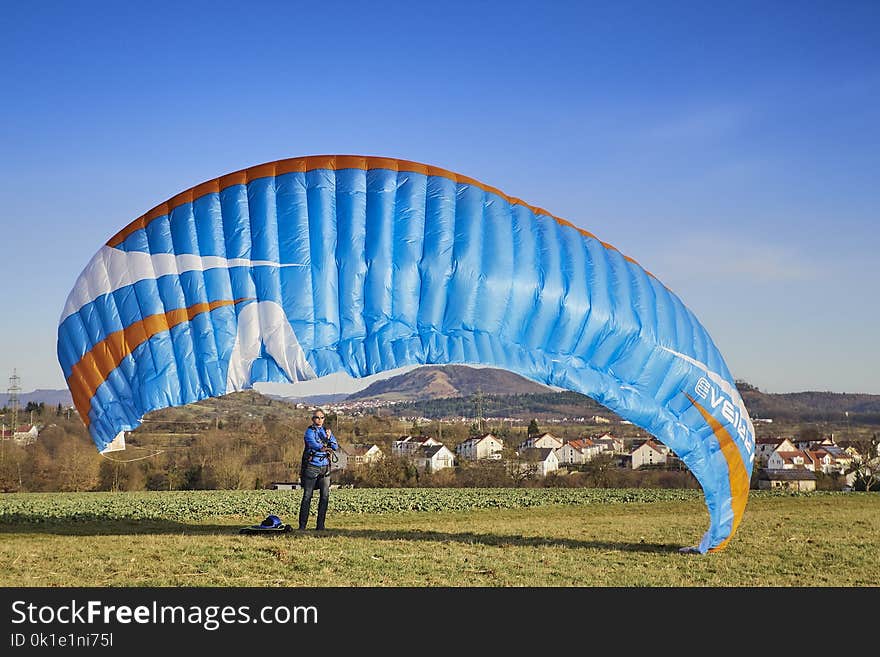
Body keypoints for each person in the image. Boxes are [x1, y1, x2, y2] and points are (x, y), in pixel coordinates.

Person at [297, 409, 338, 531]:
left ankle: (320, 526)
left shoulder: (327, 431)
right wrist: (326, 444)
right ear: (313, 419)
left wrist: (330, 438)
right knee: (307, 496)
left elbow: (335, 446)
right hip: (312, 467)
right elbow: (314, 445)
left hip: (325, 468)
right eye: (317, 418)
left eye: (322, 418)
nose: (319, 420)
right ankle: (302, 526)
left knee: (324, 496)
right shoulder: (309, 432)